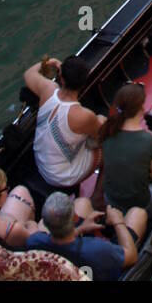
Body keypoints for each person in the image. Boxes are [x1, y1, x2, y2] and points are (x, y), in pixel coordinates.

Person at [99, 82, 152, 238]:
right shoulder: (150, 142)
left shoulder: (107, 131)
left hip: (110, 199)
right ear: (141, 108)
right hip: (142, 203)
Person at [23, 54, 106, 197]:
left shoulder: (48, 89)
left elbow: (29, 73)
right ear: (83, 83)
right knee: (111, 145)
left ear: (61, 77)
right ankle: (97, 196)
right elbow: (103, 136)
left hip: (41, 162)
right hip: (61, 176)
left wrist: (49, 63)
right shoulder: (84, 115)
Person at [26, 190, 137, 280]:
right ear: (75, 218)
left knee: (83, 202)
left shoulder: (35, 241)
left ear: (45, 223)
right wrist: (118, 222)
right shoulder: (98, 249)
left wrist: (80, 229)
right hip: (102, 268)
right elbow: (132, 257)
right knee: (138, 213)